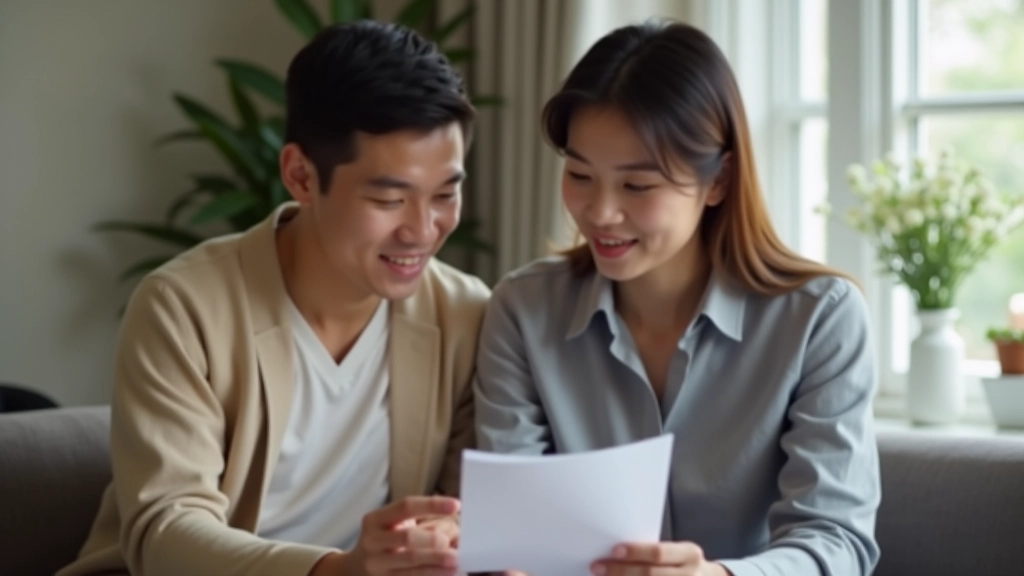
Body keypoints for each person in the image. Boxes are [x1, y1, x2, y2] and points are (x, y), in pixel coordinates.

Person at [59, 20, 487, 576]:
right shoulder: (182, 307)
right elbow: (166, 529)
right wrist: (338, 570)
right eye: (389, 199)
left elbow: (472, 508)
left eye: (445, 194)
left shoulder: (463, 314)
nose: (423, 230)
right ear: (301, 176)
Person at [475, 20, 880, 576]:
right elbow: (512, 533)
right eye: (579, 174)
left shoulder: (821, 319)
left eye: (638, 186)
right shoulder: (523, 310)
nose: (600, 212)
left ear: (718, 181)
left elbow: (836, 540)